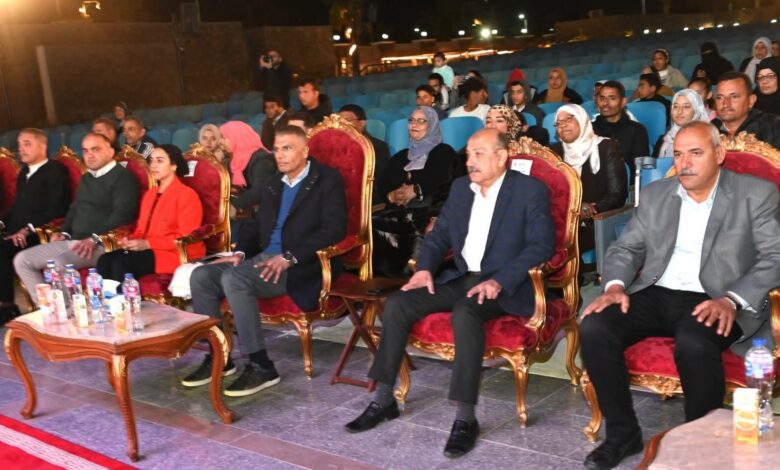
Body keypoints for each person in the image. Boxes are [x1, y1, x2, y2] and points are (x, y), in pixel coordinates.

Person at [579, 121, 780, 470]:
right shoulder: (657, 194)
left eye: (695, 153)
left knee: (694, 342)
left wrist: (732, 300)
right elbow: (626, 248)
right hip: (656, 290)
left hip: (718, 297)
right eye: (678, 154)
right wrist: (614, 287)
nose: (684, 163)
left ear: (719, 154)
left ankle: (699, 444)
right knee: (594, 326)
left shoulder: (756, 193)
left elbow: (775, 256)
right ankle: (623, 434)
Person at [346, 128, 555, 459]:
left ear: (501, 157)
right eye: (469, 154)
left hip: (505, 285)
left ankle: (465, 419)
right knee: (398, 304)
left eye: (479, 154)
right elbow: (439, 235)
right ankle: (384, 399)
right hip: (462, 277)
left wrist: (501, 280)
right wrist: (425, 268)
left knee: (465, 312)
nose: (470, 161)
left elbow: (541, 245)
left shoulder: (529, 190)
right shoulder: (461, 188)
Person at [181, 125, 347, 395]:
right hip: (263, 259)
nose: (280, 155)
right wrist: (240, 253)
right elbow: (255, 224)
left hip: (302, 263)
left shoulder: (326, 179)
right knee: (201, 276)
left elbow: (334, 230)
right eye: (277, 149)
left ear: (305, 151)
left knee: (234, 279)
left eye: (287, 148)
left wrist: (290, 257)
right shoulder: (274, 182)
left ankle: (260, 365)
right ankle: (219, 356)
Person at [14, 133, 139, 302]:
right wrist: (64, 232)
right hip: (73, 241)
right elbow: (74, 209)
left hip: (102, 245)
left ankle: (69, 310)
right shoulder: (87, 177)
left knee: (60, 263)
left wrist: (94, 238)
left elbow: (123, 215)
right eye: (85, 151)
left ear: (110, 151)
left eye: (95, 149)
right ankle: (49, 307)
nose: (90, 155)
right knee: (22, 260)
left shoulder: (123, 178)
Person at [96, 145, 204, 283]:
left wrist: (148, 244)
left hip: (176, 253)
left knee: (121, 263)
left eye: (159, 161)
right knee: (104, 261)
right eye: (151, 160)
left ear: (174, 166)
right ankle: (111, 296)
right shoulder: (150, 194)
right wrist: (130, 240)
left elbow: (186, 236)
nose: (153, 165)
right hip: (150, 249)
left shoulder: (187, 195)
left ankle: (125, 296)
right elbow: (141, 230)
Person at [372, 107, 456, 277]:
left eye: (421, 121)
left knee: (415, 228)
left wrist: (417, 189)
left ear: (432, 125)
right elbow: (383, 183)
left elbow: (445, 183)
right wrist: (391, 195)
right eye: (411, 120)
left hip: (429, 210)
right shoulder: (401, 155)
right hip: (398, 210)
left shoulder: (443, 152)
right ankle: (383, 278)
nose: (414, 125)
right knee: (374, 222)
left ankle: (413, 276)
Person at [0, 129, 70, 323]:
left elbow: (58, 208)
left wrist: (28, 228)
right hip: (14, 230)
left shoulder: (55, 170)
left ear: (42, 146)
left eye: (27, 144)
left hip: (36, 233)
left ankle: (7, 306)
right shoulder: (24, 172)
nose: (21, 149)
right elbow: (17, 206)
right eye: (20, 145)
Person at [551, 105, 627, 253]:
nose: (563, 125)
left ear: (582, 120)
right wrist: (570, 209)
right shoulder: (553, 152)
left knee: (559, 245)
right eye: (558, 123)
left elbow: (617, 194)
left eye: (568, 119)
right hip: (560, 222)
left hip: (594, 223)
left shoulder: (606, 147)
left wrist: (592, 209)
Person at [592, 80, 650, 173]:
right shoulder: (590, 129)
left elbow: (641, 170)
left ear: (623, 102)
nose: (605, 103)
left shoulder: (637, 130)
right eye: (602, 98)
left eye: (612, 98)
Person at [712, 71, 780, 149]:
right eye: (720, 97)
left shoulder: (773, 127)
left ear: (751, 100)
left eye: (734, 96)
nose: (725, 104)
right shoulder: (709, 130)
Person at [219, 121, 275, 212]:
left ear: (237, 137)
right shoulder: (234, 160)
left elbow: (259, 191)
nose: (220, 141)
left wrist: (234, 205)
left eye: (224, 137)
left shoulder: (262, 160)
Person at [654, 89, 710, 158]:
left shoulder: (705, 140)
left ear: (696, 111)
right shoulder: (664, 139)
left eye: (686, 107)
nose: (679, 111)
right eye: (675, 106)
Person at [338, 104, 390, 176]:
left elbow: (382, 176)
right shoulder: (334, 144)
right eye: (339, 121)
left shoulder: (378, 147)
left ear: (361, 123)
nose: (342, 124)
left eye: (347, 120)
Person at [485, 104, 549, 149]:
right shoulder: (483, 144)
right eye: (488, 121)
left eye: (499, 121)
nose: (492, 125)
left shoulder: (524, 147)